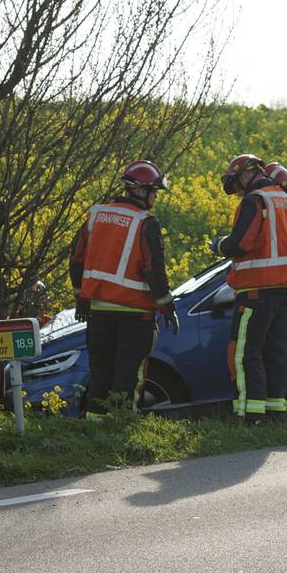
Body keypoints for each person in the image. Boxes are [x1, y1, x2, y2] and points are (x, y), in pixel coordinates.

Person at [69, 160, 179, 421]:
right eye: (154, 191)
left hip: (97, 313)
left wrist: (80, 298)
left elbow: (76, 260)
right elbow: (155, 271)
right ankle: (121, 427)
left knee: (101, 372)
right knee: (128, 374)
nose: (155, 197)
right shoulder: (146, 222)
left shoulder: (96, 216)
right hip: (135, 315)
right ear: (141, 190)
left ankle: (96, 428)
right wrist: (168, 307)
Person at [210, 154, 287, 423]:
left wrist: (218, 245)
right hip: (286, 292)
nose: (239, 191)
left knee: (245, 353)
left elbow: (240, 244)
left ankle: (248, 415)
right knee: (276, 354)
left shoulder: (255, 201)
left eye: (238, 184)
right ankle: (279, 415)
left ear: (246, 174)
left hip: (256, 292)